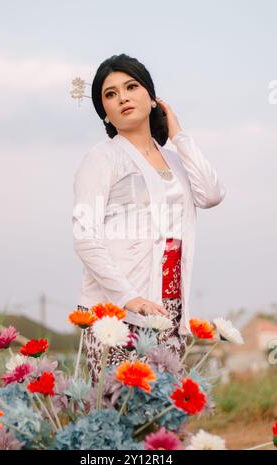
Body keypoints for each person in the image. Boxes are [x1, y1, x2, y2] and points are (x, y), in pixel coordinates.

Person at [72, 53, 226, 385]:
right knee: (119, 413)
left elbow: (211, 194)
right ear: (106, 113)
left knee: (164, 414)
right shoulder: (102, 158)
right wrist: (128, 297)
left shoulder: (175, 160)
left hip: (169, 306)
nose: (123, 97)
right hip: (117, 311)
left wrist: (179, 134)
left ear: (152, 97)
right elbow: (85, 236)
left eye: (131, 86)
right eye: (110, 94)